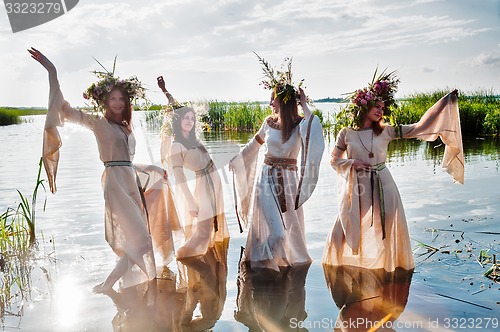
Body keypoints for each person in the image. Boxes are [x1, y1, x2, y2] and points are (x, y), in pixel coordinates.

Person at [29, 48, 180, 293]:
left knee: (140, 241)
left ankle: (109, 286)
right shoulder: (98, 122)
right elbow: (64, 109)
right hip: (115, 185)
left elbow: (127, 161)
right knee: (141, 240)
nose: (118, 103)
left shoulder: (126, 126)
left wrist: (154, 169)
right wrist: (52, 71)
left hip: (130, 182)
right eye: (113, 99)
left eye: (122, 99)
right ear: (105, 102)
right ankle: (108, 285)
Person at [323, 69, 463, 272]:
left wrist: (445, 102)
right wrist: (351, 162)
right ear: (364, 105)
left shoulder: (386, 131)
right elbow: (333, 160)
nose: (381, 110)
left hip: (383, 185)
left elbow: (420, 127)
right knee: (341, 230)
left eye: (383, 107)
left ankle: (387, 272)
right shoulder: (346, 133)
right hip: (358, 189)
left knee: (384, 231)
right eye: (376, 106)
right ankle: (337, 268)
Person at [230, 55, 325, 271]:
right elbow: (253, 145)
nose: (270, 102)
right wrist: (238, 160)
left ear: (283, 101)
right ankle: (261, 263)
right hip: (266, 179)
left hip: (288, 183)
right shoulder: (269, 122)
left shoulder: (300, 125)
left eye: (273, 98)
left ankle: (265, 266)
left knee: (287, 230)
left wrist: (304, 103)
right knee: (278, 232)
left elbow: (313, 129)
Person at [157, 76, 229, 260]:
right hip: (202, 187)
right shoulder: (176, 146)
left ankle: (209, 263)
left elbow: (175, 106)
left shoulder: (193, 140)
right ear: (178, 120)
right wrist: (190, 202)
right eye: (186, 118)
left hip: (214, 181)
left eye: (192, 118)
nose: (189, 121)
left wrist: (167, 93)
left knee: (212, 226)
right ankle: (184, 256)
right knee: (203, 230)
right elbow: (180, 179)